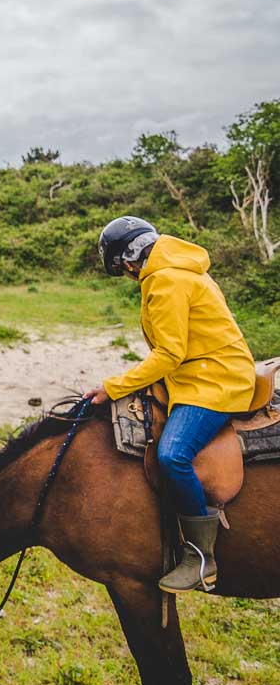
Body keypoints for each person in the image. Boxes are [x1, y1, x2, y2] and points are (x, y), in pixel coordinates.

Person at [86, 216, 257, 592]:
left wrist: (112, 387)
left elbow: (168, 354)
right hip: (201, 371)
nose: (129, 275)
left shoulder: (166, 279)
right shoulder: (177, 265)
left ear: (128, 262)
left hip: (215, 380)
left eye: (124, 269)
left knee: (173, 454)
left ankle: (201, 557)